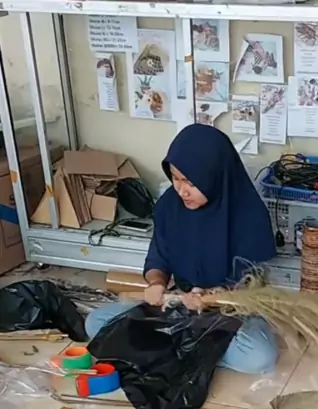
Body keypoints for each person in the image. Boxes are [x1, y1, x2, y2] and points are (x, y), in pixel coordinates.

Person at [85, 124, 279, 374]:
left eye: (189, 182)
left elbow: (252, 282)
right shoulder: (170, 206)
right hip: (180, 302)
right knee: (96, 323)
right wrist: (156, 284)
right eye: (175, 179)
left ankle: (179, 344)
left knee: (259, 356)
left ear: (214, 175)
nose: (181, 190)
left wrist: (211, 295)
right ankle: (189, 344)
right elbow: (159, 257)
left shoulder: (249, 214)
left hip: (231, 308)